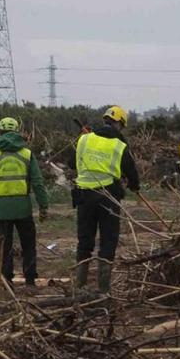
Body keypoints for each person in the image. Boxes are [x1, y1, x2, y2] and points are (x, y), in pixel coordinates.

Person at [73, 105, 140, 294]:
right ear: (119, 123)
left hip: (84, 196)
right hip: (108, 197)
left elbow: (72, 162)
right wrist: (135, 186)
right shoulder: (119, 145)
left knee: (84, 241)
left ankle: (79, 287)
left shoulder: (84, 139)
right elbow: (131, 170)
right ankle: (104, 290)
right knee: (108, 241)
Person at [0, 116, 49, 286]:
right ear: (17, 132)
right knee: (28, 245)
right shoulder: (27, 154)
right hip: (24, 209)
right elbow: (37, 182)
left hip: (1, 210)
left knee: (4, 247)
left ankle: (7, 280)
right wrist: (43, 206)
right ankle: (30, 279)